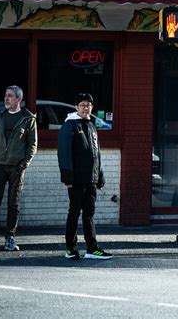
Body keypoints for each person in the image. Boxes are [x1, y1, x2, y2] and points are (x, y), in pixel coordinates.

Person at [0, 85, 37, 252]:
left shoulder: (28, 119)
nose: (6, 98)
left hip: (16, 167)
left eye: (10, 96)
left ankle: (10, 238)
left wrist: (23, 165)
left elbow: (32, 145)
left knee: (14, 203)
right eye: (6, 95)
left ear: (18, 99)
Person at [57, 92, 112, 260]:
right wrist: (68, 178)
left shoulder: (91, 126)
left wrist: (100, 175)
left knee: (89, 214)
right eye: (82, 105)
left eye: (88, 105)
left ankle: (92, 249)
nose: (86, 108)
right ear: (76, 107)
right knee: (74, 212)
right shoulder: (70, 126)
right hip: (76, 180)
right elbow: (63, 153)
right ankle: (70, 249)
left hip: (91, 179)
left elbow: (96, 154)